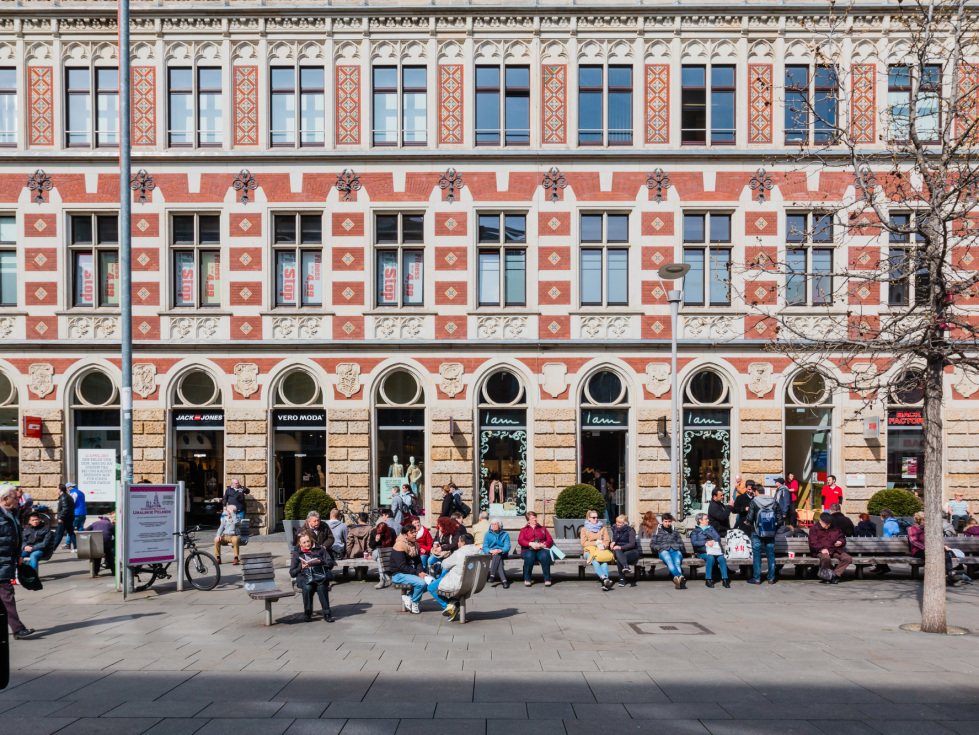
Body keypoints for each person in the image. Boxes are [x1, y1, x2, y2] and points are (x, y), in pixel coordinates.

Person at [0, 484, 32, 638]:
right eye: (15, 497)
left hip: (7, 560)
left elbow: (15, 536)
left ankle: (17, 629)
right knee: (7, 595)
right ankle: (18, 629)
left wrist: (18, 553)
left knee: (6, 595)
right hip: (2, 562)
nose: (18, 500)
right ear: (4, 498)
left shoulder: (12, 512)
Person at [428, 532, 482, 620]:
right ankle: (453, 603)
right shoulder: (478, 551)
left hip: (458, 583)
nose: (457, 543)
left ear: (463, 543)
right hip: (474, 583)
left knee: (431, 587)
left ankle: (450, 607)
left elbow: (445, 565)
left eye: (459, 541)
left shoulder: (459, 553)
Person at [289, 531, 334, 622]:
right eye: (304, 542)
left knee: (321, 587)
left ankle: (327, 613)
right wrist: (301, 567)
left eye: (308, 541)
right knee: (308, 587)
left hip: (319, 576)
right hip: (304, 578)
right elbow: (292, 572)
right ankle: (307, 613)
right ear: (300, 543)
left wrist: (320, 561)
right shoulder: (297, 553)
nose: (307, 544)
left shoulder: (319, 549)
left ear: (311, 540)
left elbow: (330, 563)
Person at [908, 511, 964, 586]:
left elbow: (935, 539)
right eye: (925, 520)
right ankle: (938, 577)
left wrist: (942, 546)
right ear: (920, 520)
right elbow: (914, 541)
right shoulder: (912, 529)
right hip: (918, 551)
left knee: (944, 552)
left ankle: (951, 573)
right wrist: (926, 548)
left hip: (931, 549)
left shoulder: (928, 529)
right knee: (932, 556)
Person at [389, 524, 434, 614]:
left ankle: (410, 597)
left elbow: (418, 562)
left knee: (432, 581)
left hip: (410, 573)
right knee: (421, 583)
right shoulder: (399, 545)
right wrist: (418, 574)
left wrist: (420, 572)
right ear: (405, 535)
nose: (415, 534)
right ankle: (415, 603)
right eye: (412, 533)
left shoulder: (415, 545)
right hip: (398, 574)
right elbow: (402, 567)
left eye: (415, 532)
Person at [746, 484, 782, 585]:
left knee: (757, 555)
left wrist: (749, 523)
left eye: (754, 492)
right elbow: (780, 519)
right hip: (770, 533)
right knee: (771, 555)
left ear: (756, 492)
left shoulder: (754, 501)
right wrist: (774, 528)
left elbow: (749, 517)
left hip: (756, 532)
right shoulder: (774, 501)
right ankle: (771, 578)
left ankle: (757, 579)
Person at [809, 512, 852, 584]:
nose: (828, 526)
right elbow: (813, 542)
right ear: (821, 521)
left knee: (848, 558)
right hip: (820, 551)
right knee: (826, 558)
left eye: (829, 524)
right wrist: (822, 549)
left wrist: (841, 542)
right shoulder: (814, 528)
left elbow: (842, 537)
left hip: (835, 549)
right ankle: (826, 577)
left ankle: (834, 575)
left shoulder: (835, 528)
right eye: (826, 524)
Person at [691, 513, 730, 588]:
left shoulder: (711, 528)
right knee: (710, 558)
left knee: (722, 558)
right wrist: (705, 543)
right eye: (706, 519)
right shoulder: (695, 531)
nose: (708, 520)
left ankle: (725, 579)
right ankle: (708, 579)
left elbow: (718, 537)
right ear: (700, 520)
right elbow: (694, 543)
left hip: (714, 550)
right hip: (703, 552)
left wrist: (713, 541)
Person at [579, 510, 615, 591]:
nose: (596, 519)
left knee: (604, 562)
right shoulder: (584, 529)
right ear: (588, 518)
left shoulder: (603, 528)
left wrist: (604, 544)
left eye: (597, 517)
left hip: (601, 550)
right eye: (593, 517)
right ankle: (604, 579)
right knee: (594, 560)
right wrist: (595, 543)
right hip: (590, 552)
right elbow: (583, 543)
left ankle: (605, 583)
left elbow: (607, 540)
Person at [650, 513, 686, 589]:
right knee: (669, 561)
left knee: (677, 562)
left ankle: (677, 579)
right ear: (662, 521)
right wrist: (659, 548)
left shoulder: (675, 531)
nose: (668, 523)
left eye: (669, 521)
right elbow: (652, 545)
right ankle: (679, 576)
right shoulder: (657, 531)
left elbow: (681, 544)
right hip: (663, 551)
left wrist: (678, 547)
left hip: (675, 550)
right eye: (666, 521)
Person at [518, 511, 553, 586]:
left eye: (535, 517)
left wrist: (544, 545)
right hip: (528, 549)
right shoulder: (524, 530)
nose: (535, 519)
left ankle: (547, 579)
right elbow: (520, 540)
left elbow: (550, 539)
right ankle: (527, 579)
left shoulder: (542, 528)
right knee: (529, 556)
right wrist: (530, 543)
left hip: (541, 548)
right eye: (532, 518)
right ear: (528, 520)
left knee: (544, 556)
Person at [609, 514, 639, 587]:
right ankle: (626, 566)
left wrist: (621, 547)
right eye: (617, 522)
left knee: (620, 557)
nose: (617, 524)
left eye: (620, 523)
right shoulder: (615, 529)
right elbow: (615, 539)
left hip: (631, 551)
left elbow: (632, 544)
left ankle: (622, 579)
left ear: (625, 523)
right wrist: (613, 542)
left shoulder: (630, 530)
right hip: (619, 551)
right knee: (618, 552)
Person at [370, 515, 397, 589]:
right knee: (380, 555)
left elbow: (394, 544)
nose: (380, 535)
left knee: (380, 558)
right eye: (378, 533)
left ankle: (383, 579)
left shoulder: (391, 531)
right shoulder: (373, 532)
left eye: (381, 533)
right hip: (377, 551)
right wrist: (376, 540)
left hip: (388, 550)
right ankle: (386, 578)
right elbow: (371, 546)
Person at [482, 519, 511, 588]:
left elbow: (507, 546)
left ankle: (492, 575)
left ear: (499, 525)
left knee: (497, 555)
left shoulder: (505, 534)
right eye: (492, 524)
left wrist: (500, 550)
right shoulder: (487, 534)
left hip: (502, 552)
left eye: (495, 524)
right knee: (498, 558)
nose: (493, 526)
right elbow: (485, 547)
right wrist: (491, 551)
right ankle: (504, 581)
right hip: (491, 553)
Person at [53, 483, 76, 551]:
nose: (56, 490)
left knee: (59, 533)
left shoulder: (63, 497)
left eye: (57, 489)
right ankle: (76, 547)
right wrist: (58, 514)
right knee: (71, 532)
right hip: (69, 518)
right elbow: (64, 507)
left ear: (60, 490)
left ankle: (52, 548)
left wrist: (61, 517)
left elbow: (65, 508)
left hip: (64, 519)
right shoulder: (67, 496)